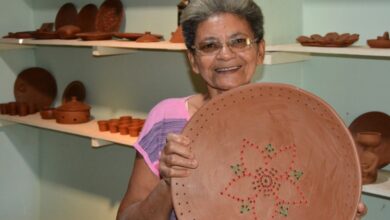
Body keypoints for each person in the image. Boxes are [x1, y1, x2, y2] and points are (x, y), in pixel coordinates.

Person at [116, 0, 367, 219]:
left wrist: (336, 212)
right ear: (193, 60)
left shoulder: (295, 122)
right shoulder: (166, 117)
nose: (225, 55)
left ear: (260, 51)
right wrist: (168, 183)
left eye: (239, 41)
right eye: (209, 46)